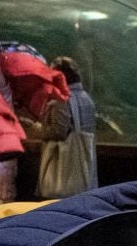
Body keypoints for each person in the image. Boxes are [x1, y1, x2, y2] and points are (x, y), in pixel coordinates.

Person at [34, 56, 98, 198]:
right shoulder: (86, 98)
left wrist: (37, 129)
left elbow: (59, 131)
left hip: (64, 174)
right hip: (86, 172)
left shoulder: (61, 100)